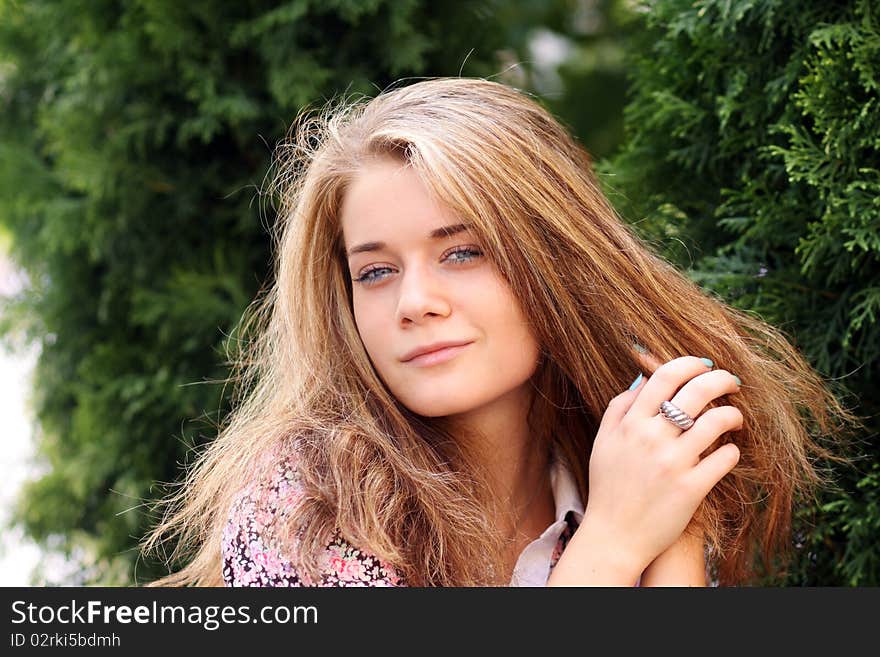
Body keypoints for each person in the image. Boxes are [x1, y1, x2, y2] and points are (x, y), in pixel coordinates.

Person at [142, 77, 858, 587]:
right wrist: (611, 544)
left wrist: (676, 523)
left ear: (556, 259)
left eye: (462, 252)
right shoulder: (305, 503)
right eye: (376, 271)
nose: (414, 302)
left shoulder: (623, 470)